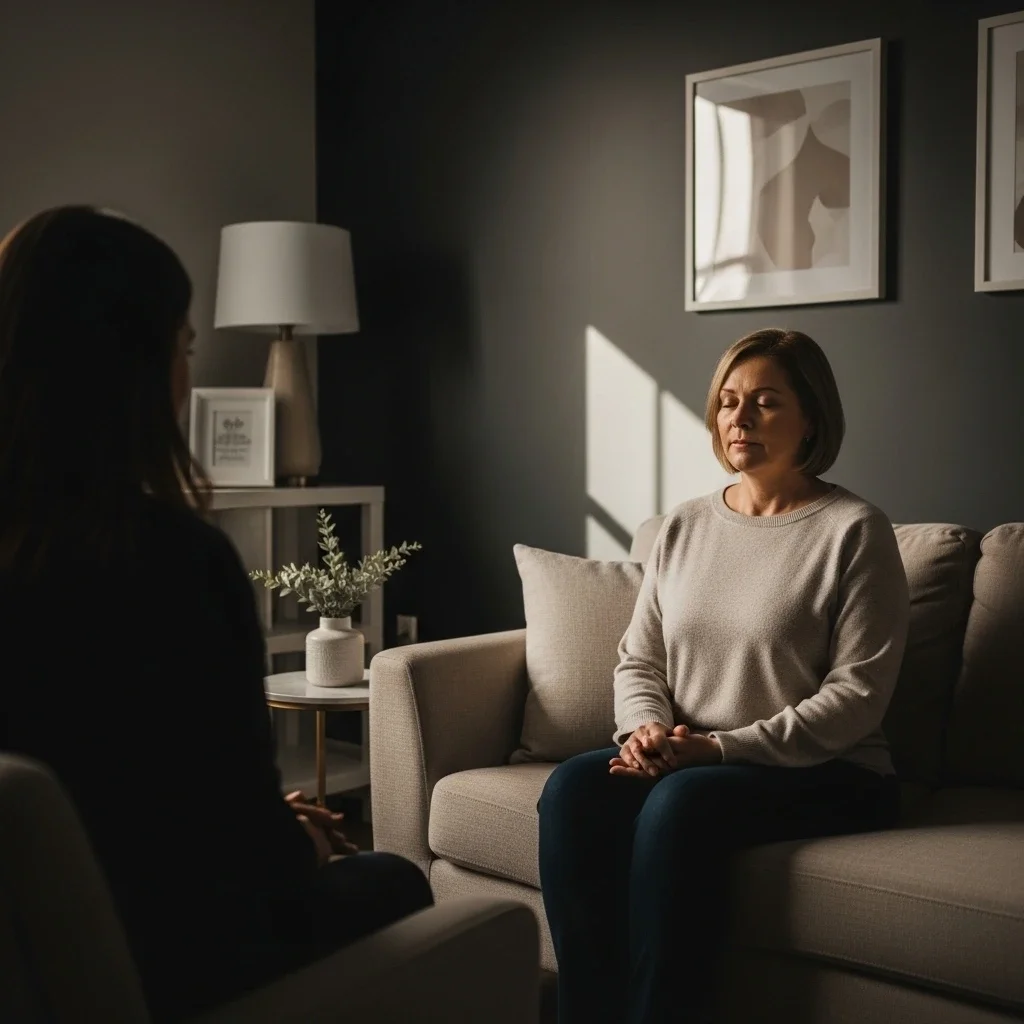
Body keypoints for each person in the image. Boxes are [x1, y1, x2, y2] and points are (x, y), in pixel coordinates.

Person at [0, 206, 432, 1022]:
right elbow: (242, 870)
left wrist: (259, 823)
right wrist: (293, 837)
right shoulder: (168, 562)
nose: (187, 368)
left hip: (30, 954)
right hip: (173, 955)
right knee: (397, 877)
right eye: (186, 345)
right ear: (134, 363)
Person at [538, 328, 910, 1024]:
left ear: (812, 419)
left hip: (831, 773)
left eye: (766, 403)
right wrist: (644, 730)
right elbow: (639, 658)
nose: (739, 419)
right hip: (695, 756)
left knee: (683, 806)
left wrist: (715, 749)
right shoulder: (681, 527)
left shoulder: (855, 531)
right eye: (729, 402)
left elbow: (856, 698)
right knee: (570, 790)